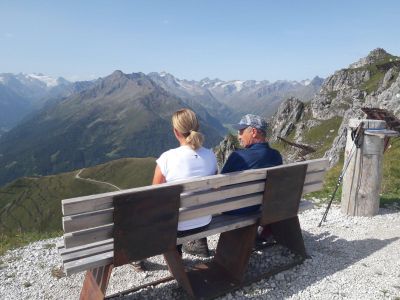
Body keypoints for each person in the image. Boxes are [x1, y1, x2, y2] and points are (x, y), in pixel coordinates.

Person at [153, 108, 217, 257]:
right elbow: (214, 188)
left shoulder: (167, 158)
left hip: (176, 226)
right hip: (204, 221)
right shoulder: (210, 156)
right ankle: (195, 244)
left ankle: (174, 255)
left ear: (176, 132)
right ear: (197, 128)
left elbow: (153, 196)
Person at [221, 114, 282, 240]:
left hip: (240, 210)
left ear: (253, 132)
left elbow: (220, 184)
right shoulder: (276, 156)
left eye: (241, 131)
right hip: (265, 207)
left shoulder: (238, 157)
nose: (238, 136)